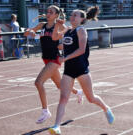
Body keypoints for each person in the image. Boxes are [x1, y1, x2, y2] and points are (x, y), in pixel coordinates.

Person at [49, 6, 115, 135]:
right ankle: (57, 126)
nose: (72, 17)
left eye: (76, 15)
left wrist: (65, 57)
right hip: (68, 70)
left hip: (81, 69)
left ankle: (106, 108)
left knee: (91, 98)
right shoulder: (67, 30)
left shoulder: (81, 31)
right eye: (72, 15)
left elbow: (81, 50)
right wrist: (57, 25)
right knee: (63, 98)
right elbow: (55, 38)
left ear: (82, 19)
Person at [24, 5, 83, 124]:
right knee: (60, 85)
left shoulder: (60, 26)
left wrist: (63, 44)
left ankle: (45, 111)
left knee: (38, 82)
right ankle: (78, 92)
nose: (48, 13)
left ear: (56, 15)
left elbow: (69, 38)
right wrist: (30, 32)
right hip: (45, 59)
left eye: (51, 12)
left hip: (55, 59)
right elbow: (27, 34)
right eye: (47, 11)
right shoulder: (42, 25)